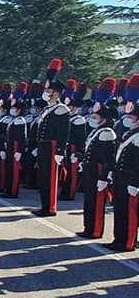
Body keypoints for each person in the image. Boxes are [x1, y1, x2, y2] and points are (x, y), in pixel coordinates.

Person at [77, 88, 119, 240]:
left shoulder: (107, 132)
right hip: (91, 169)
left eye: (96, 116)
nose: (93, 118)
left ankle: (95, 230)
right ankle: (88, 227)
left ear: (104, 118)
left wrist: (104, 176)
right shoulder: (98, 131)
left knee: (96, 202)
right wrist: (84, 159)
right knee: (89, 200)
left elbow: (107, 158)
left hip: (98, 171)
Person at [107, 78, 139, 252]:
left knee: (129, 212)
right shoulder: (129, 134)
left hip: (130, 178)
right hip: (120, 176)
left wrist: (135, 182)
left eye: (132, 116)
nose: (129, 119)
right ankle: (118, 239)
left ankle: (127, 241)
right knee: (119, 209)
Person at [35, 60, 70, 217]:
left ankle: (50, 207)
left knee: (51, 178)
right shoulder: (49, 109)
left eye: (49, 90)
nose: (46, 92)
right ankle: (44, 205)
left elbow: (63, 132)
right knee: (43, 177)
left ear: (56, 93)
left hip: (53, 147)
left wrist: (61, 151)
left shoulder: (61, 109)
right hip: (44, 146)